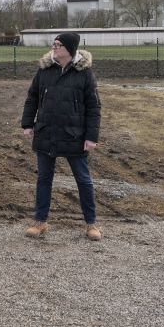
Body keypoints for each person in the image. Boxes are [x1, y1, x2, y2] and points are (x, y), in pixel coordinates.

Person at [20, 32, 102, 241]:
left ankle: (91, 224)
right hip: (46, 132)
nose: (54, 47)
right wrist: (28, 124)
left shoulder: (84, 73)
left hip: (74, 135)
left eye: (59, 44)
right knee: (44, 179)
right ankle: (40, 222)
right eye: (54, 44)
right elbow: (32, 98)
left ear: (70, 49)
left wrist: (91, 137)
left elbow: (94, 107)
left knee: (83, 180)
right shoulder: (44, 70)